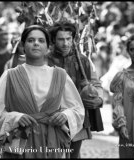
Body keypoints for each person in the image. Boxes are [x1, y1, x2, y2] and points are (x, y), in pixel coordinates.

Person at [0, 25, 85, 158]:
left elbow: (77, 109)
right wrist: (16, 117)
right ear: (23, 45)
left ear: (48, 47)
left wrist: (65, 115)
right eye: (31, 40)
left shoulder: (60, 75)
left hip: (51, 143)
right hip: (19, 142)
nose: (36, 43)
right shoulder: (9, 76)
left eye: (41, 40)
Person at [47, 22, 104, 158]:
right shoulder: (45, 60)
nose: (66, 43)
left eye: (68, 39)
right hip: (53, 117)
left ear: (73, 39)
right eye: (61, 39)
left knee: (74, 155)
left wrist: (99, 100)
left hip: (78, 117)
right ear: (54, 40)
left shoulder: (83, 61)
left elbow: (96, 83)